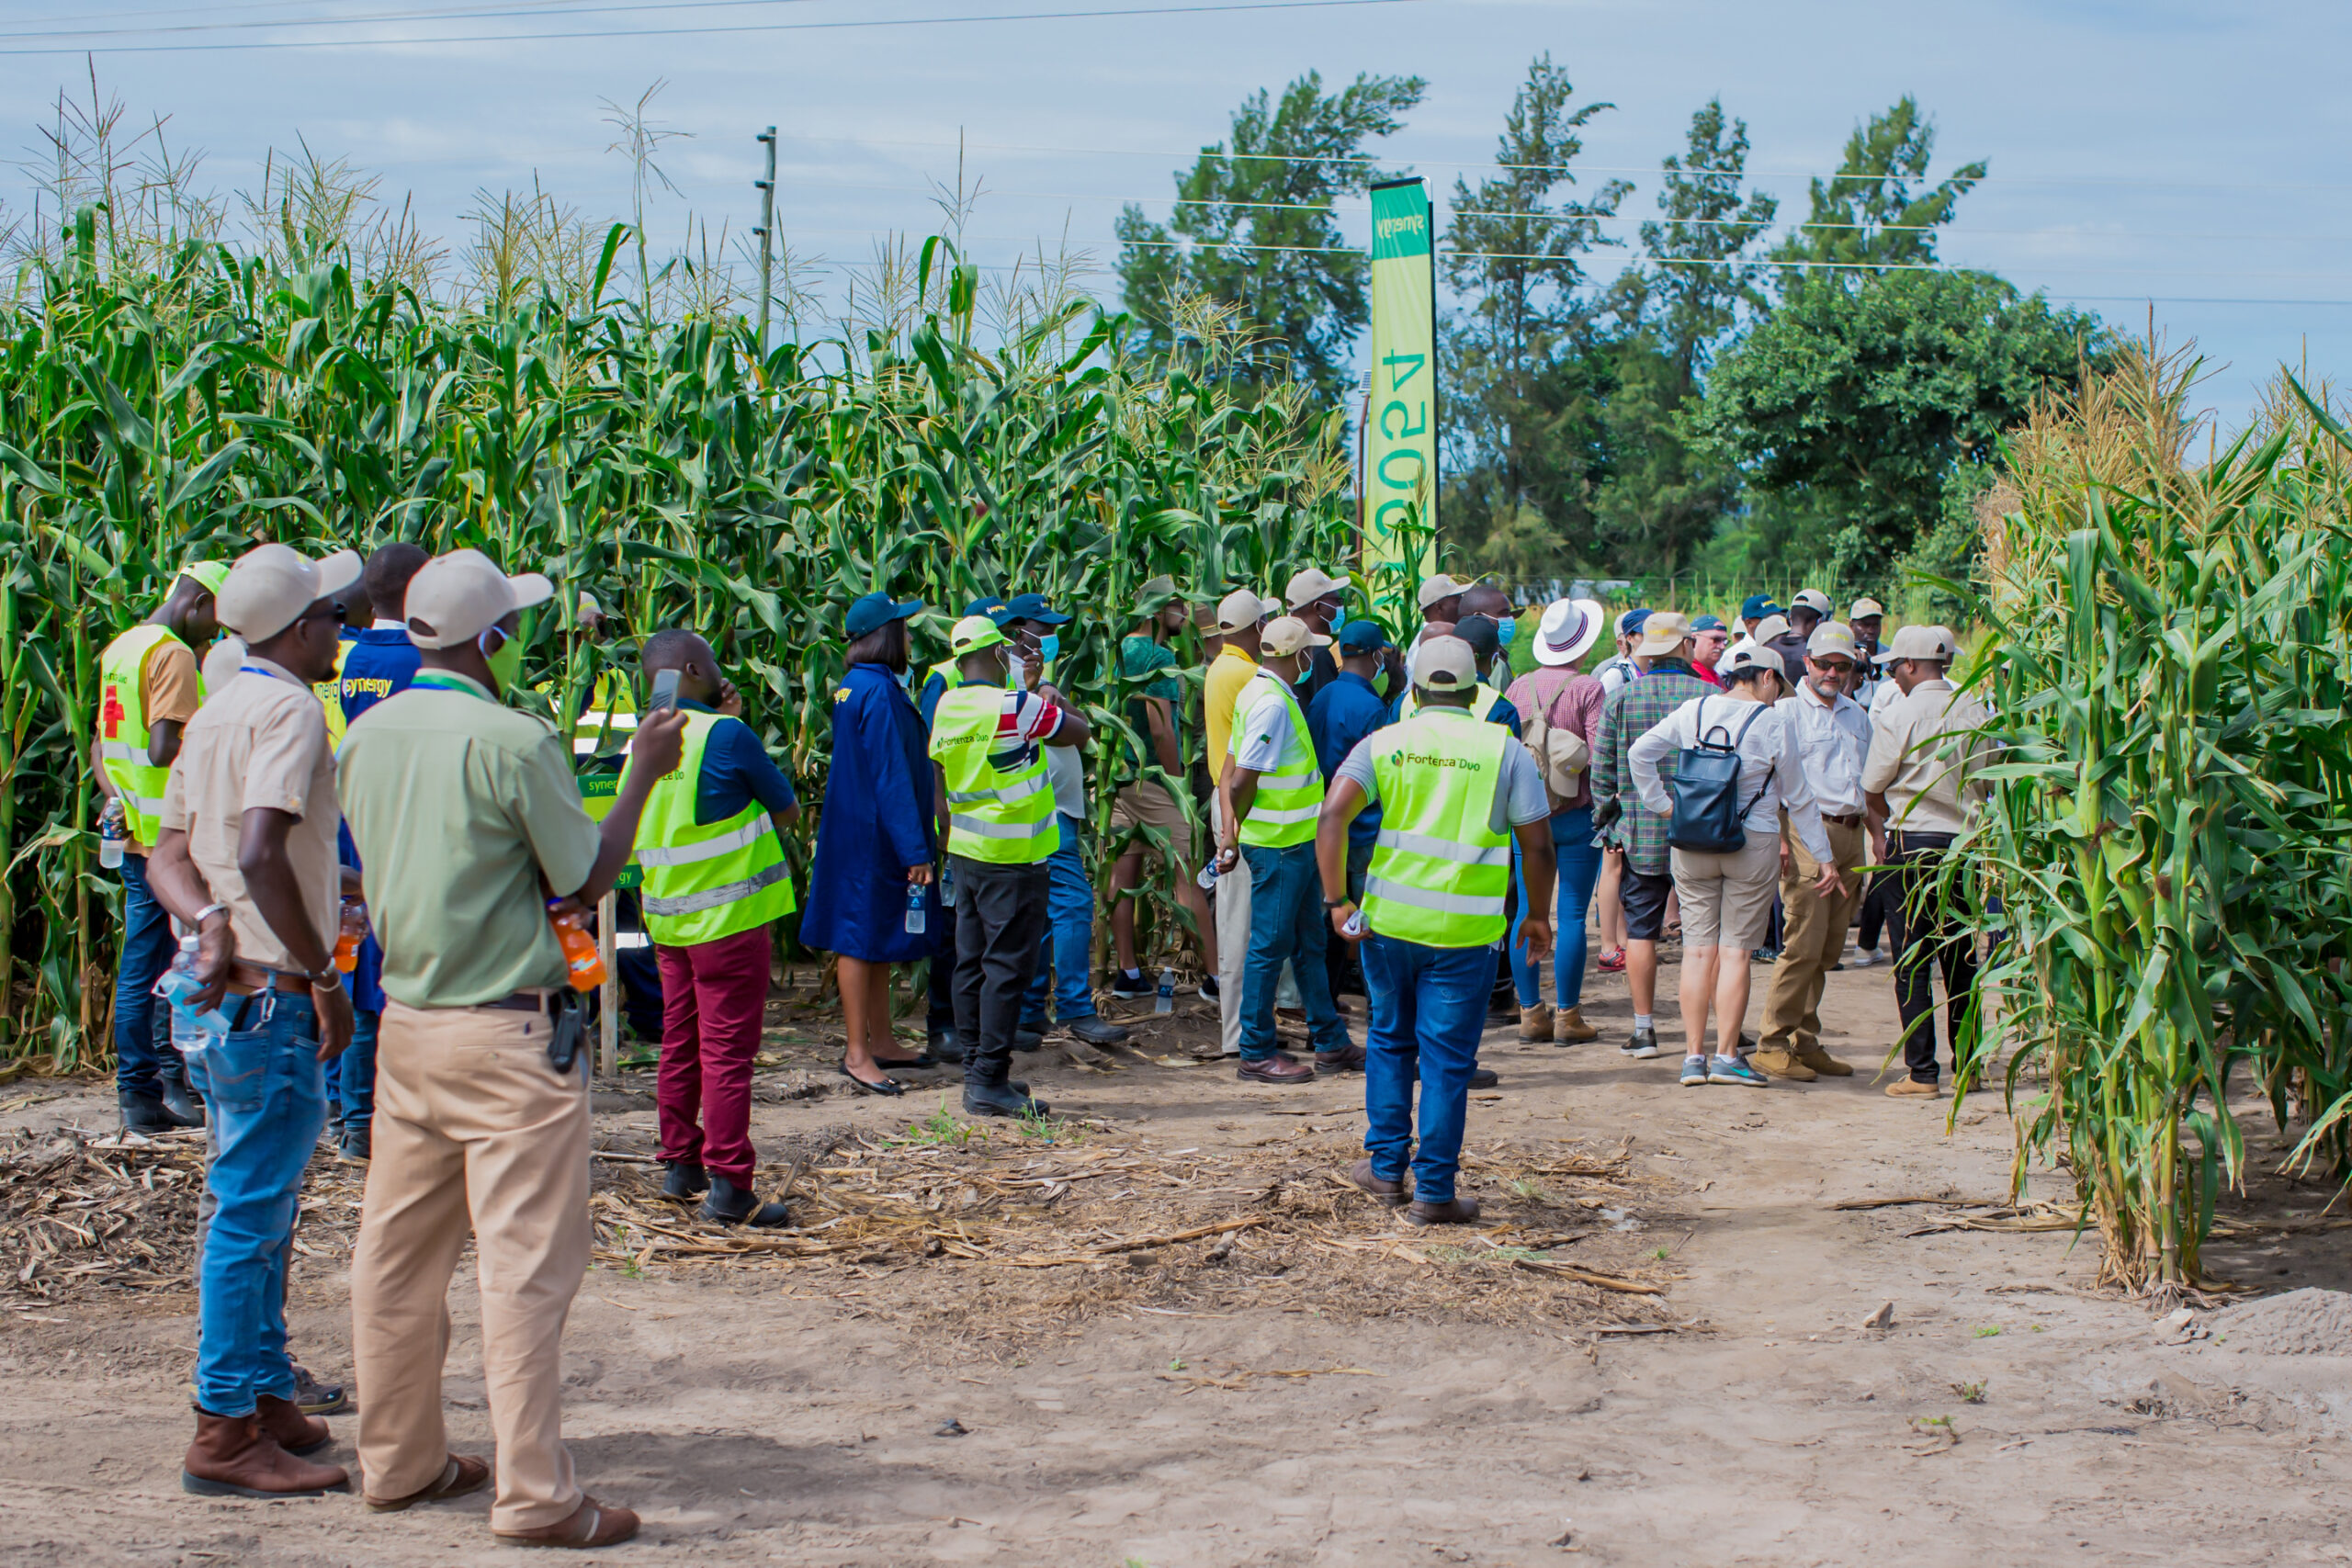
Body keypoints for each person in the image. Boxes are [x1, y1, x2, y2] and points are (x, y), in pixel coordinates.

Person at [339, 547, 690, 1548]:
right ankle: (535, 1495)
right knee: (525, 1272)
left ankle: (398, 1464)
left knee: (395, 1260)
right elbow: (582, 878)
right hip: (508, 1036)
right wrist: (639, 776)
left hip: (408, 1028)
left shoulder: (366, 737)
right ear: (490, 639)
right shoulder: (511, 739)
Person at [143, 544, 360, 1500]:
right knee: (252, 1209)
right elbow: (262, 845)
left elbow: (171, 854)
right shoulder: (286, 710)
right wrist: (321, 972)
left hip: (221, 992)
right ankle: (225, 1426)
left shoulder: (220, 704)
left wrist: (202, 919)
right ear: (299, 627)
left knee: (257, 1200)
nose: (342, 631)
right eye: (334, 616)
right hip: (270, 992)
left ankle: (264, 1390)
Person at [1318, 636, 1555, 1224]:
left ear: (1414, 690)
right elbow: (1538, 843)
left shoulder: (1385, 744)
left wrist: (1335, 901)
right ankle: (1434, 1192)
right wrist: (1539, 912)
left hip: (1389, 927)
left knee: (1390, 1040)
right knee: (1448, 1063)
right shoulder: (1505, 751)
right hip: (1465, 936)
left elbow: (1332, 815)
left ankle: (1383, 1168)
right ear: (1476, 691)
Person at [632, 627, 803, 1222]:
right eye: (709, 661)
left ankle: (681, 1166)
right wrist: (735, 723)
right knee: (728, 1052)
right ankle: (730, 1186)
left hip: (669, 922)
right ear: (689, 668)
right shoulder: (727, 734)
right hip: (728, 923)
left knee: (680, 1041)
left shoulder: (644, 736)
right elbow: (787, 807)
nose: (719, 668)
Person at [1629, 639, 1844, 1089]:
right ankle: (1726, 1056)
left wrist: (1664, 805)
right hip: (1753, 842)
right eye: (1776, 685)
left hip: (1691, 842)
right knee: (1735, 954)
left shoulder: (1695, 710)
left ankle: (1692, 1058)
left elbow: (1640, 753)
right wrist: (1824, 859)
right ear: (1767, 677)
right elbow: (1799, 798)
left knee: (1697, 950)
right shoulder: (1772, 722)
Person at [929, 614, 1089, 1117]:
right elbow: (1078, 734)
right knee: (1005, 968)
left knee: (971, 962)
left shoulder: (949, 704)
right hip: (1014, 856)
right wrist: (1052, 701)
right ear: (1000, 654)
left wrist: (945, 838)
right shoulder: (1015, 705)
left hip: (968, 853)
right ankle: (990, 1080)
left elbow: (937, 773)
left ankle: (977, 1070)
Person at [95, 559, 228, 1134]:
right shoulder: (172, 654)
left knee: (140, 963)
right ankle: (151, 1091)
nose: (216, 634)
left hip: (131, 830)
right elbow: (160, 748)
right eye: (215, 620)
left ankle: (146, 1092)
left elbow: (103, 745)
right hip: (164, 842)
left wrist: (116, 800)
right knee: (161, 963)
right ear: (197, 603)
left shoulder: (123, 647)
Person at [801, 593, 945, 1083]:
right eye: (903, 627)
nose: (909, 636)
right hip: (873, 838)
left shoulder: (856, 685)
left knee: (878, 936)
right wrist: (915, 850)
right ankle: (857, 1053)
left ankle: (882, 1040)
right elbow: (890, 775)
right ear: (886, 635)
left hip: (862, 833)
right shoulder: (878, 692)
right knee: (859, 942)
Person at [1214, 615, 1360, 1084]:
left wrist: (1232, 832)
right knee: (1270, 945)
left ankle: (1331, 1041)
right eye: (1309, 653)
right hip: (1278, 845)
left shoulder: (1258, 692)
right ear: (1297, 657)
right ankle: (1255, 1050)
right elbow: (1240, 779)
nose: (1312, 659)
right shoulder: (1273, 704)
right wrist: (1232, 835)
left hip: (1293, 842)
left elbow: (1228, 768)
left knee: (1308, 943)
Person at [325, 542, 431, 1165]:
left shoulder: (349, 656)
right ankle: (373, 1121)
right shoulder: (421, 659)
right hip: (404, 830)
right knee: (392, 982)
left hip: (352, 824)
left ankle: (349, 1113)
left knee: (355, 968)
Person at [996, 592, 1130, 1051]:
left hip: (1054, 809)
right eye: (1045, 630)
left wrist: (1057, 699)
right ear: (1021, 633)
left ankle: (1032, 1011)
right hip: (1043, 811)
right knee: (1072, 903)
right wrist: (1054, 703)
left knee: (1044, 915)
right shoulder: (1009, 678)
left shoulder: (1034, 678)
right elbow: (1075, 730)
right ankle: (1075, 1007)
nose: (1053, 638)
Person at [1863, 624, 1990, 1099]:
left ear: (1912, 665)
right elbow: (1991, 780)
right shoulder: (1975, 709)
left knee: (1912, 959)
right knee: (1960, 958)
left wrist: (1881, 835)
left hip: (1910, 844)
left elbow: (1874, 784)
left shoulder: (1900, 713)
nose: (1894, 675)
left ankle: (1922, 1072)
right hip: (1962, 846)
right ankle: (1970, 1065)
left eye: (1896, 666)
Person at [1588, 611, 1711, 1059]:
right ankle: (1715, 1027)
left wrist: (1609, 824)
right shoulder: (1709, 695)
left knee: (1640, 933)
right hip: (1703, 832)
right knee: (1704, 934)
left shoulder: (1622, 698)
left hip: (1640, 833)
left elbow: (1601, 773)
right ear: (1685, 647)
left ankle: (1644, 1030)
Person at [1754, 622, 1873, 1081]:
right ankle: (1772, 1041)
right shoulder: (1786, 713)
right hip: (1807, 831)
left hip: (1850, 832)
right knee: (1801, 941)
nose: (1833, 672)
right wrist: (1782, 838)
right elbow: (1771, 781)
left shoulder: (1856, 715)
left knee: (1827, 948)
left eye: (1842, 666)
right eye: (1824, 664)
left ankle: (1805, 1038)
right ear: (1806, 663)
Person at [1504, 598, 1608, 1044]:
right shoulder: (1589, 689)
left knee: (1527, 912)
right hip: (1577, 816)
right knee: (1572, 916)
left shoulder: (1518, 688)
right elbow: (1601, 756)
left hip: (1527, 820)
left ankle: (1530, 1012)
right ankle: (1568, 1016)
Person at [1107, 578, 1217, 998]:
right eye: (1178, 607)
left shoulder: (1117, 652)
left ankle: (1128, 973)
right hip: (1155, 782)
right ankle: (1216, 977)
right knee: (1187, 877)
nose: (1186, 615)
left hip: (1119, 783)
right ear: (1158, 610)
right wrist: (1176, 784)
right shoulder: (1157, 656)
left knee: (1123, 872)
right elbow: (1161, 729)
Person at [917, 596, 1012, 1054]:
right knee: (957, 932)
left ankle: (976, 1030)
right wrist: (943, 825)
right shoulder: (944, 679)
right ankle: (945, 1026)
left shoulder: (1006, 678)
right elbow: (933, 762)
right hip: (960, 831)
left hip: (995, 834)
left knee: (982, 937)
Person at [1307, 619, 1394, 1001]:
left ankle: (1324, 1010)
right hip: (1361, 830)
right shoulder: (1373, 708)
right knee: (1364, 923)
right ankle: (1376, 1009)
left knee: (1328, 920)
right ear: (1376, 655)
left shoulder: (1321, 695)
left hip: (1321, 825)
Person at [1204, 589, 1271, 1054]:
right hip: (1238, 804)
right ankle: (1240, 1036)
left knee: (1236, 919)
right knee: (1240, 923)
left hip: (1227, 798)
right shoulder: (1248, 674)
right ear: (1257, 627)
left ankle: (1243, 1029)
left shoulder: (1219, 667)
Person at [1285, 567, 1349, 700]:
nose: (1340, 607)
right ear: (1318, 607)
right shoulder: (1317, 654)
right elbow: (1328, 709)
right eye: (1338, 601)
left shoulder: (1288, 644)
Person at [1592, 608, 1648, 699]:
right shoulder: (1613, 675)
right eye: (1644, 634)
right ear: (1629, 639)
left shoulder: (1656, 669)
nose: (1650, 638)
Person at [1688, 615, 1728, 688]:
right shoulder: (1689, 676)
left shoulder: (1714, 675)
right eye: (1716, 640)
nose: (1722, 646)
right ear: (1693, 639)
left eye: (1725, 641)